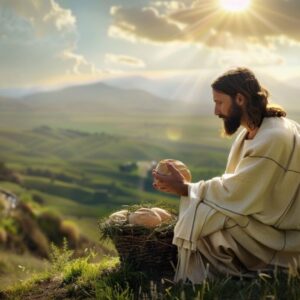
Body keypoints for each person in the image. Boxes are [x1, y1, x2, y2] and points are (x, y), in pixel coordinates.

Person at [152, 67, 300, 284]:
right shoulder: (254, 131)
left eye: (219, 102)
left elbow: (238, 192)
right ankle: (199, 276)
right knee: (202, 211)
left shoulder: (273, 136)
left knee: (203, 219)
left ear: (240, 99)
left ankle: (202, 281)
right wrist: (189, 189)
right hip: (262, 218)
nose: (216, 111)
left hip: (281, 235)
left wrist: (186, 188)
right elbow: (240, 190)